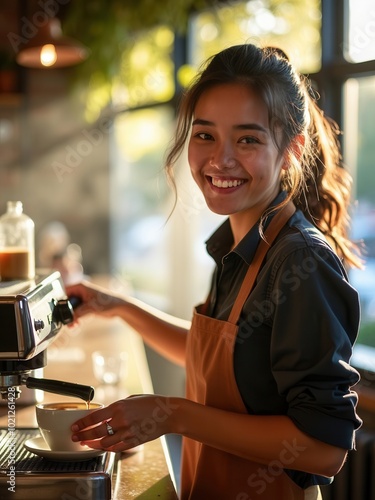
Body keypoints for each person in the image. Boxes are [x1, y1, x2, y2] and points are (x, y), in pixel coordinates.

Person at [67, 43, 363, 500]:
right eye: (205, 135)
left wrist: (172, 413)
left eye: (247, 139)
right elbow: (227, 362)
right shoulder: (239, 243)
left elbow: (323, 449)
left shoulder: (299, 260)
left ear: (291, 149)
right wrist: (120, 307)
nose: (220, 159)